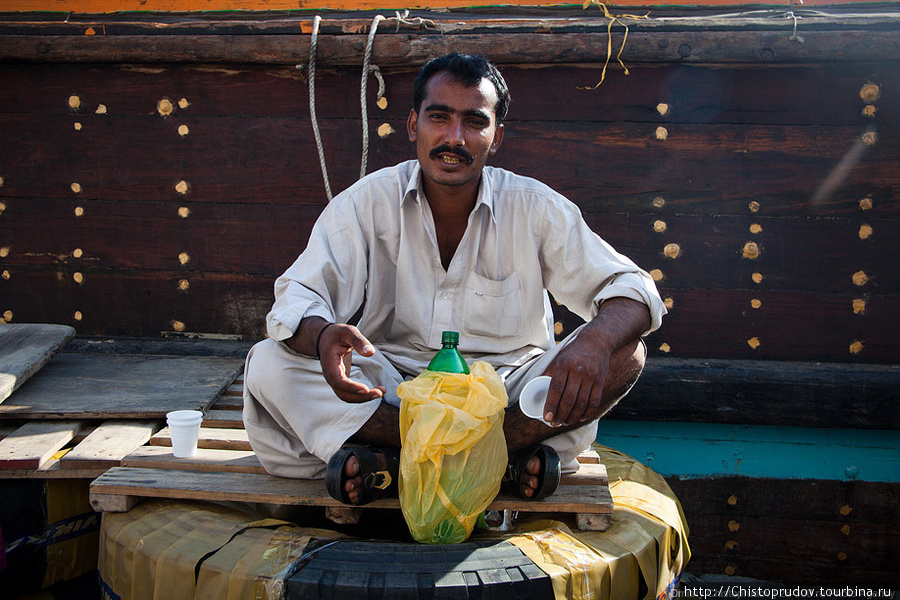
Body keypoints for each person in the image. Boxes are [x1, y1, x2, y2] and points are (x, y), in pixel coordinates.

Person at [243, 52, 666, 506]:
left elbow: (634, 290)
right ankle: (497, 464)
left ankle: (397, 464)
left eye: (473, 122)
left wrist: (596, 343)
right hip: (396, 391)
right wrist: (322, 334)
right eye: (439, 117)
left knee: (626, 354)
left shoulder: (533, 206)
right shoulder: (367, 203)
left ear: (496, 136)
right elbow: (297, 297)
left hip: (507, 395)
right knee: (270, 361)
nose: (454, 138)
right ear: (413, 125)